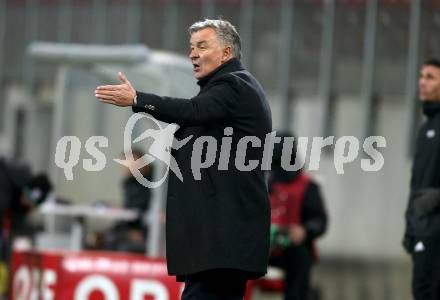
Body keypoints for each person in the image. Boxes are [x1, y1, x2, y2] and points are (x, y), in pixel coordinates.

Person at [95, 19, 272, 299]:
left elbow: (192, 110)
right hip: (219, 242)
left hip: (221, 240)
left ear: (226, 53)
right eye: (191, 47)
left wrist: (138, 99)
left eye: (202, 46)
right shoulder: (231, 88)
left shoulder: (234, 85)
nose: (193, 54)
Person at [268, 133, 327, 300]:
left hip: (291, 249)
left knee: (300, 258)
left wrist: (304, 231)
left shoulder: (307, 185)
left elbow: (320, 221)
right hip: (262, 247)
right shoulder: (262, 181)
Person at [403, 58, 440, 300]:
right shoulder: (425, 128)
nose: (422, 82)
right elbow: (417, 183)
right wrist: (410, 226)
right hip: (422, 229)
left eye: (430, 77)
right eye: (421, 76)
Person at [0, 157, 52, 298]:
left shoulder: (15, 194)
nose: (25, 204)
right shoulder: (5, 188)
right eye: (27, 199)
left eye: (30, 204)